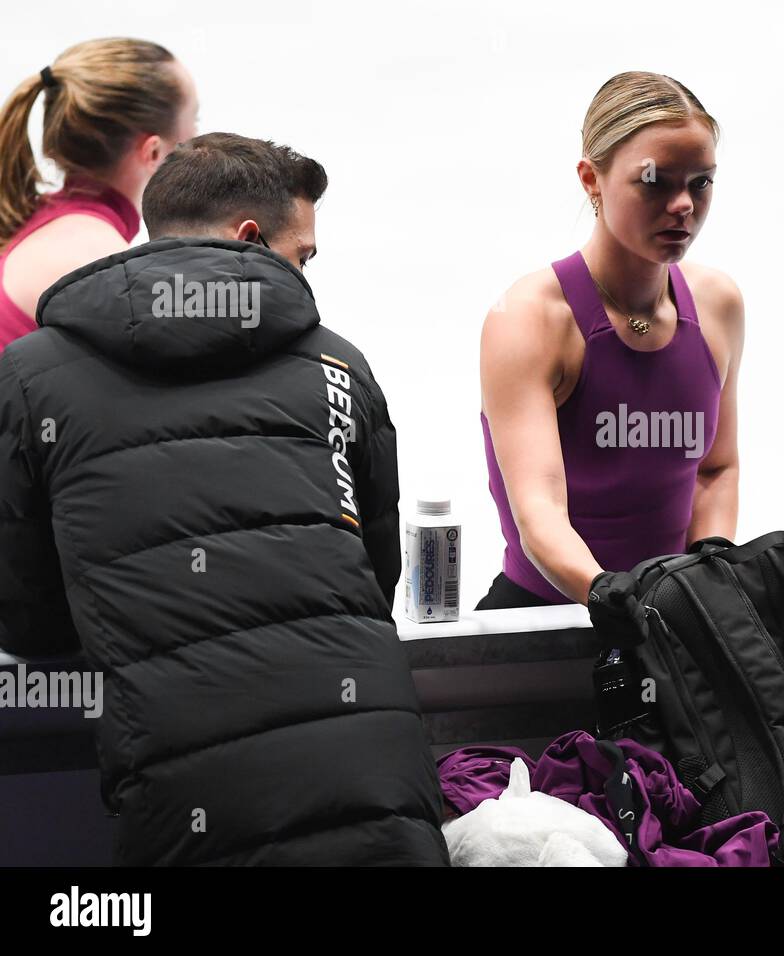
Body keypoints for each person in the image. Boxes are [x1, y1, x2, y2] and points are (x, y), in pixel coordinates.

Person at [0, 132, 449, 866]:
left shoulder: (27, 375)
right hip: (377, 774)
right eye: (303, 256)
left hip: (179, 790)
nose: (308, 277)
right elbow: (372, 571)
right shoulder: (340, 363)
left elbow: (26, 608)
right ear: (250, 237)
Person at [478, 71, 745, 620]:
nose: (683, 205)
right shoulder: (529, 319)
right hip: (547, 616)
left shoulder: (718, 304)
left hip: (668, 618)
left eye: (701, 182)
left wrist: (711, 564)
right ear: (590, 179)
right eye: (655, 182)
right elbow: (540, 511)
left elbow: (716, 470)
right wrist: (607, 594)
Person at [0, 37, 199, 351]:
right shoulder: (100, 262)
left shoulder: (38, 222)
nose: (197, 140)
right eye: (194, 123)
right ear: (154, 151)